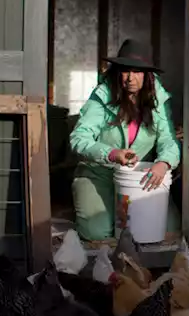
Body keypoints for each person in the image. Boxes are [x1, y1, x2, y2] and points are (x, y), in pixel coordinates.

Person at [69, 38, 181, 242]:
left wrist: (164, 163)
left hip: (139, 176)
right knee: (98, 232)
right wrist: (111, 153)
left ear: (147, 74)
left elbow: (169, 139)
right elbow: (79, 138)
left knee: (168, 230)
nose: (130, 78)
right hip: (99, 174)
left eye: (137, 72)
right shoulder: (102, 95)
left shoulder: (159, 99)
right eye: (125, 71)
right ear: (117, 71)